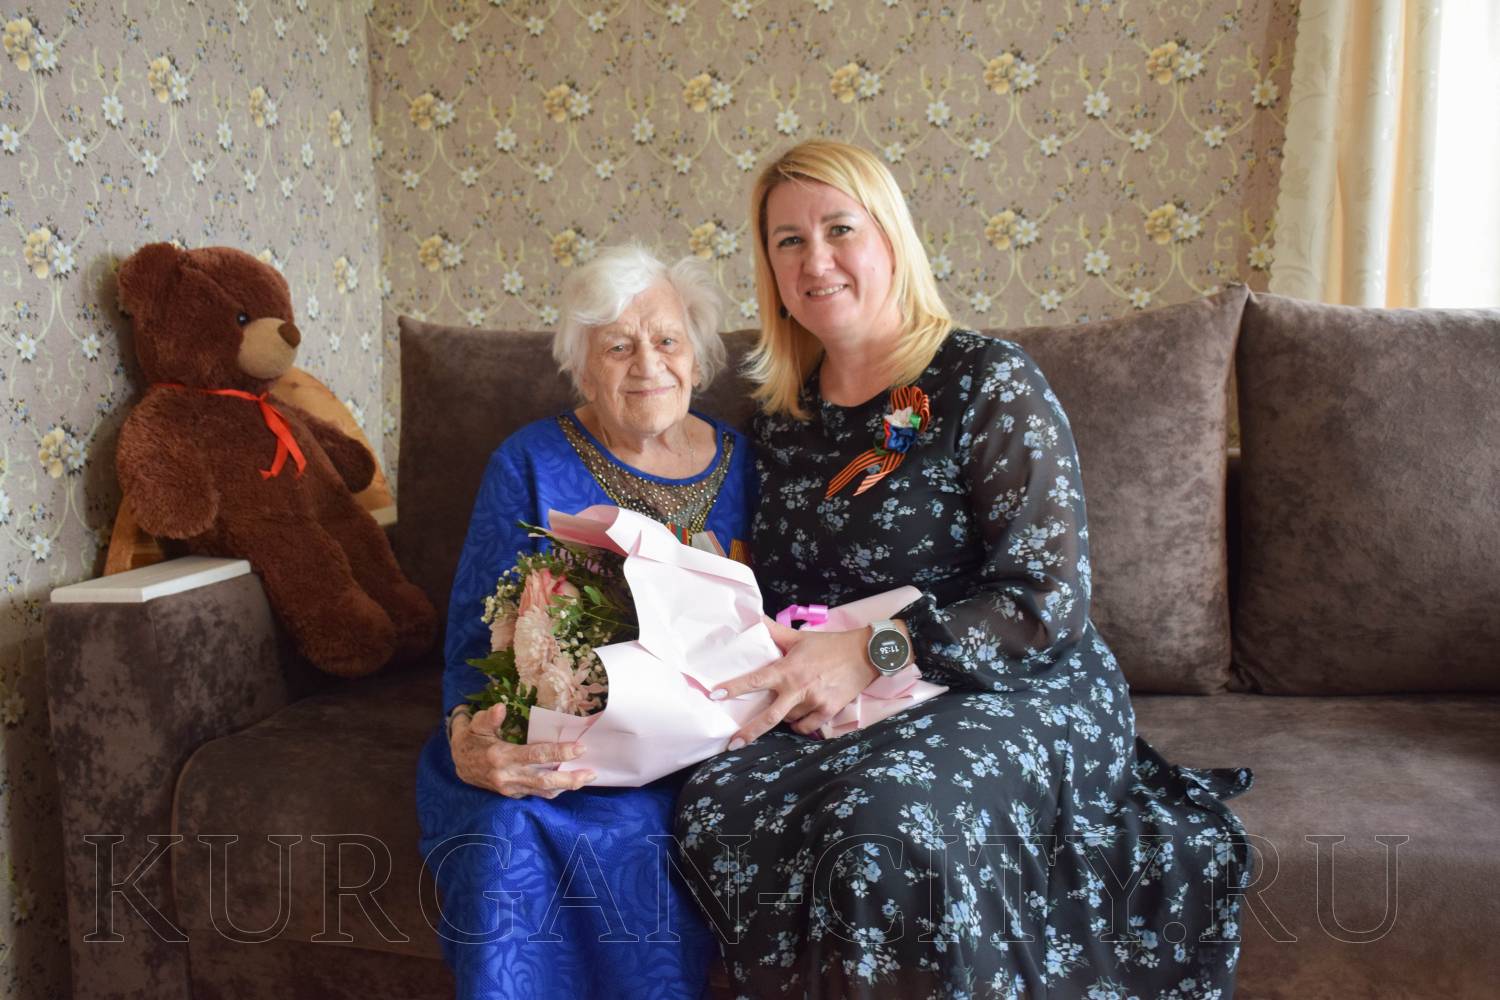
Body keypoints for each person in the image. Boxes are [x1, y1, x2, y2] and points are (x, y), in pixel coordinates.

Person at [673, 140, 1253, 998]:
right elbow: (776, 591)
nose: (815, 259)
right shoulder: (778, 420)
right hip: (847, 703)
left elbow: (1047, 598)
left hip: (1014, 682)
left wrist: (876, 650)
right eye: (788, 240)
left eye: (840, 229)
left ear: (891, 239)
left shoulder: (987, 380)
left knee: (883, 830)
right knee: (715, 804)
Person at [416, 244, 754, 999]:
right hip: (559, 739)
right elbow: (473, 640)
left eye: (667, 340)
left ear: (698, 357)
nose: (648, 364)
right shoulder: (528, 462)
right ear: (582, 366)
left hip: (707, 746)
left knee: (661, 830)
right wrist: (474, 733)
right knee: (507, 827)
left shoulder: (750, 464)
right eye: (617, 346)